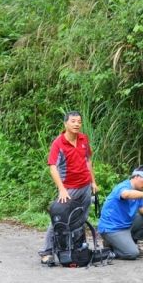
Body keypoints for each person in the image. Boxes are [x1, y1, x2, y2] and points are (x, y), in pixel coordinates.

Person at [39, 111, 98, 263]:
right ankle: (47, 251)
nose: (77, 124)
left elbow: (88, 160)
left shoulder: (83, 139)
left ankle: (75, 247)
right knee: (59, 219)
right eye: (73, 121)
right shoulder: (58, 143)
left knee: (81, 217)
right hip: (69, 188)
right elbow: (53, 167)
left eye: (79, 121)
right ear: (65, 124)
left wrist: (93, 182)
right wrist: (62, 189)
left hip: (85, 185)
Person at [97, 166, 143, 260]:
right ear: (137, 176)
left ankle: (129, 243)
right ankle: (110, 249)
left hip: (126, 225)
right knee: (132, 253)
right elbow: (125, 194)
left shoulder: (139, 191)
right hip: (112, 228)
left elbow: (142, 209)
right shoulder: (123, 186)